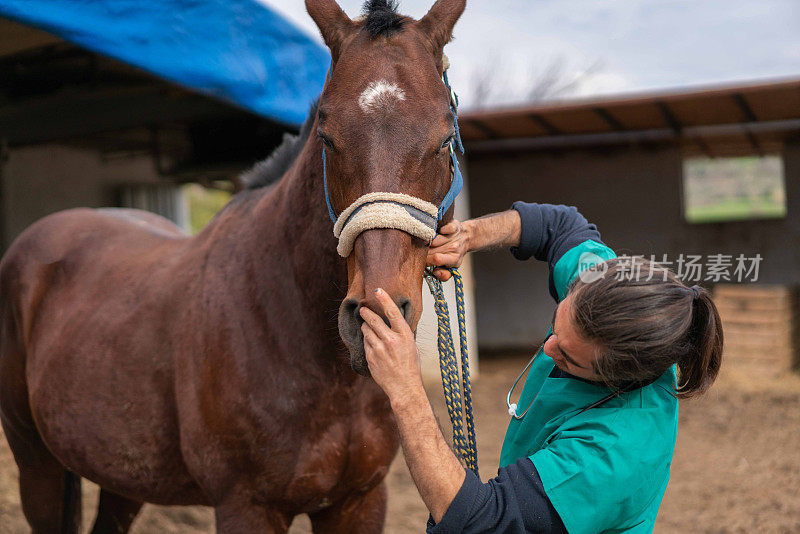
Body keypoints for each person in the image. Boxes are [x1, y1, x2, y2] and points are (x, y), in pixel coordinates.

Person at [359, 202, 724, 534]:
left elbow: (483, 525)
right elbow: (559, 225)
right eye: (557, 322)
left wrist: (406, 391)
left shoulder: (609, 455)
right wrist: (468, 235)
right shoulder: (599, 285)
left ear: (617, 379)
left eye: (567, 356)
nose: (547, 348)